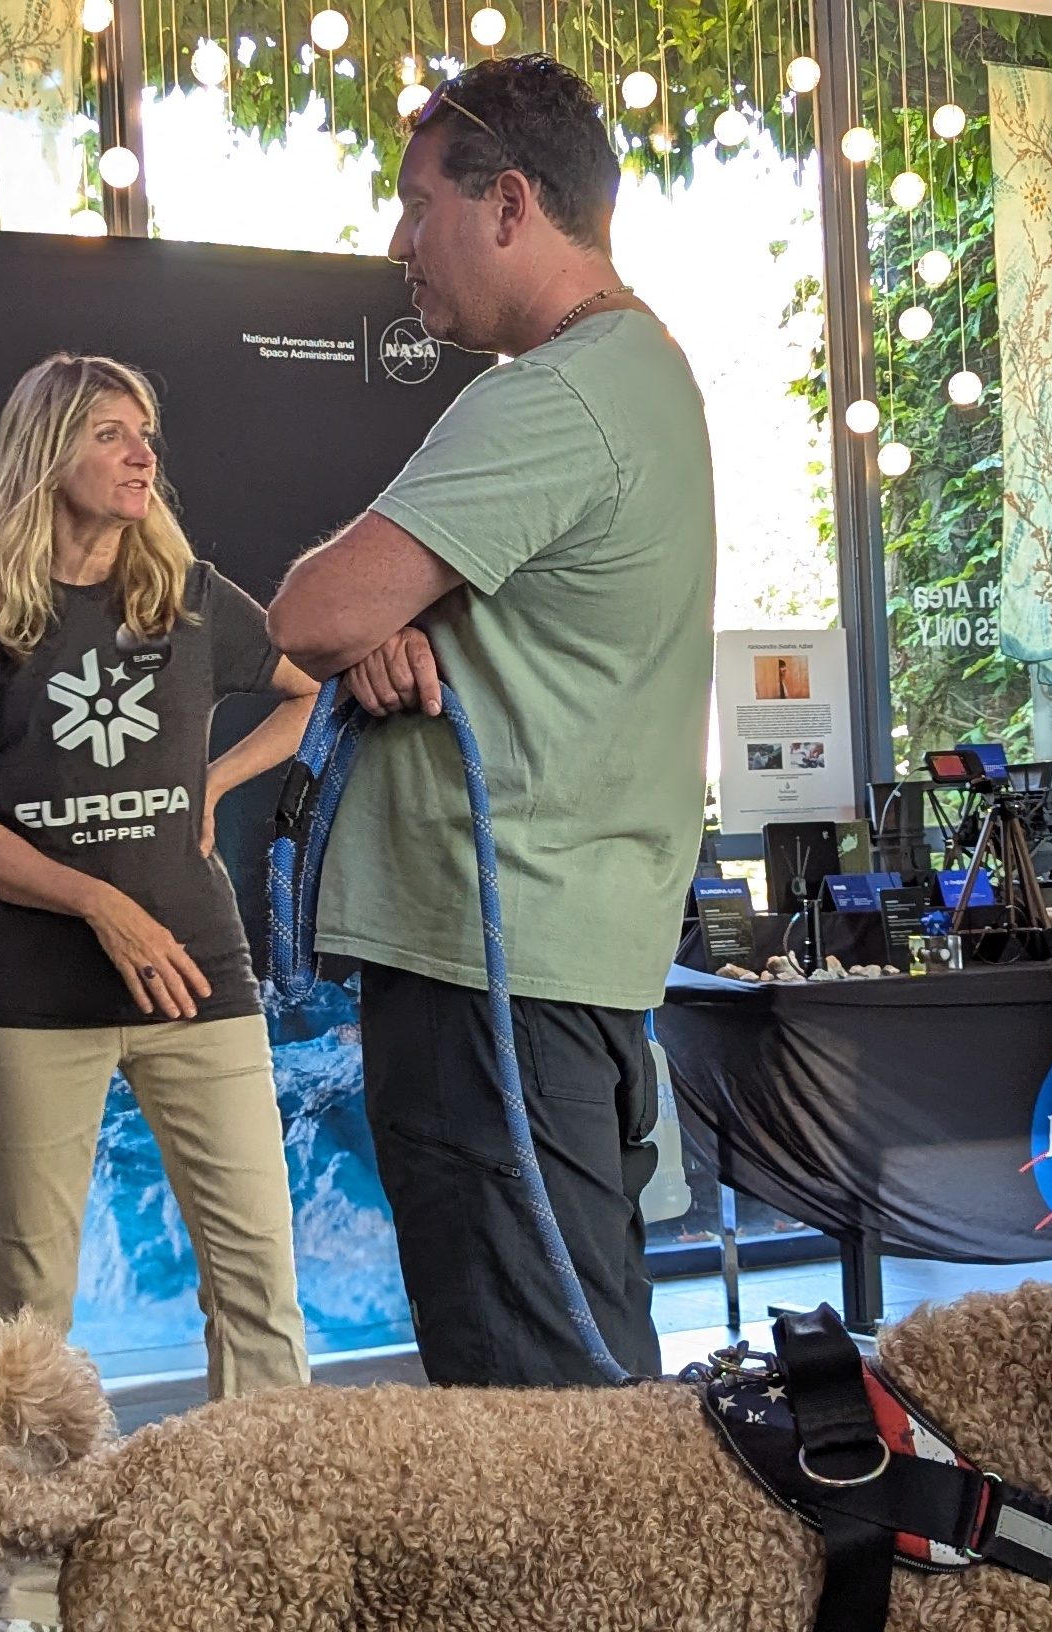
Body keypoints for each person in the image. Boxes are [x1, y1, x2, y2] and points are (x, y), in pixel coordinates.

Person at [264, 55, 715, 1387]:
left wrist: (370, 626)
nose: (400, 244)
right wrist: (399, 628)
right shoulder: (640, 377)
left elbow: (308, 612)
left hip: (499, 970)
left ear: (508, 202)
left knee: (541, 1424)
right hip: (553, 967)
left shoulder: (555, 396)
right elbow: (366, 624)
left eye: (417, 205)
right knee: (565, 1389)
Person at [0, 353, 322, 1632]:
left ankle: (271, 1548)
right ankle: (26, 1580)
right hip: (34, 1000)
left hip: (204, 985)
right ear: (48, 457)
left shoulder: (193, 597)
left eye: (147, 433)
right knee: (31, 1304)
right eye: (109, 434)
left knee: (257, 1280)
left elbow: (305, 693)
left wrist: (208, 782)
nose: (141, 455)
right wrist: (98, 899)